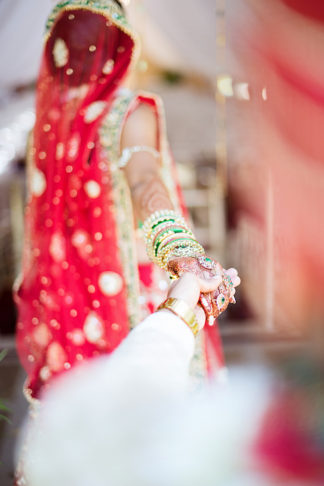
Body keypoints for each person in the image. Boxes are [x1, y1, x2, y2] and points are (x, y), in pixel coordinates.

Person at [15, 0, 237, 406]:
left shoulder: (49, 124)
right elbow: (145, 182)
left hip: (69, 301)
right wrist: (183, 254)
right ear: (120, 44)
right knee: (146, 398)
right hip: (130, 294)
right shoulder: (128, 110)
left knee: (82, 409)